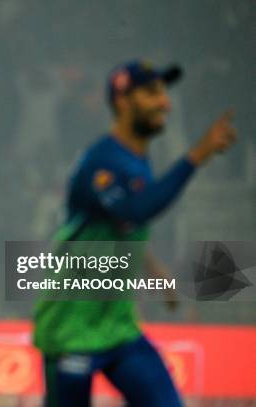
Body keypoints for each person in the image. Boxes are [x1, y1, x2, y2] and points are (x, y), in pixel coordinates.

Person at [33, 60, 237, 407]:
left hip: (118, 327)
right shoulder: (102, 163)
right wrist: (197, 155)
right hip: (71, 327)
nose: (165, 103)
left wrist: (154, 271)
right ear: (124, 101)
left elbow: (121, 228)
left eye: (164, 93)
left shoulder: (137, 159)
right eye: (152, 93)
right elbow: (135, 210)